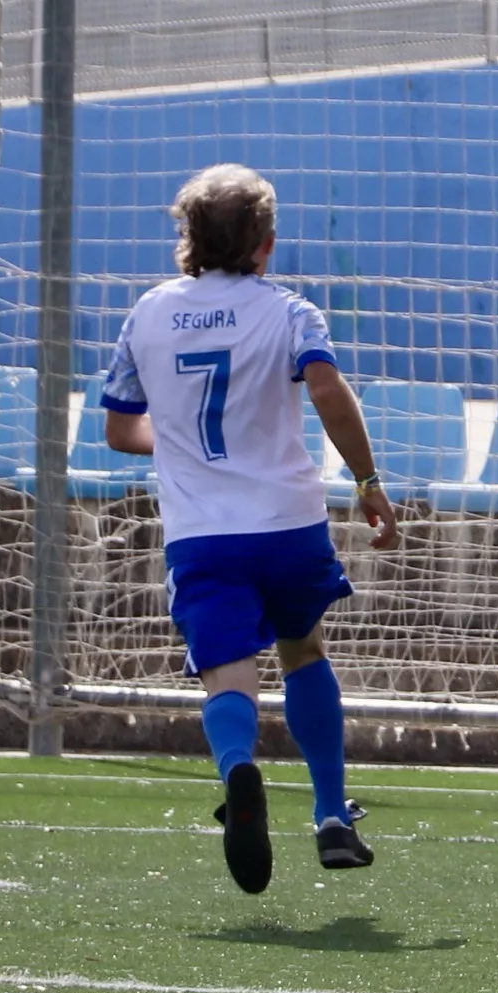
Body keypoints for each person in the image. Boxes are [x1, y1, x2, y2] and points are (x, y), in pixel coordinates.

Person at [98, 163, 400, 895]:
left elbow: (118, 427)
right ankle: (330, 813)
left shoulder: (147, 315)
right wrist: (366, 480)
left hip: (202, 533)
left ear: (187, 240)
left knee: (227, 672)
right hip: (288, 524)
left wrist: (178, 439)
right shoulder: (290, 311)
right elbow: (326, 388)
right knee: (303, 649)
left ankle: (239, 773)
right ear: (265, 244)